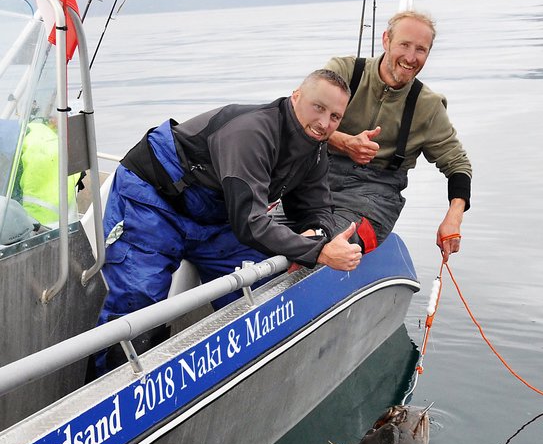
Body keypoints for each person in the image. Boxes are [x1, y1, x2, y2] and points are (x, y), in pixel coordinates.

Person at [92, 69, 360, 375]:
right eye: (319, 108)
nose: (325, 123)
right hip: (154, 201)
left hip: (213, 216)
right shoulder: (252, 132)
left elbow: (316, 207)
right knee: (135, 303)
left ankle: (249, 369)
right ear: (296, 96)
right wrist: (318, 252)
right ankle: (112, 391)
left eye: (336, 117)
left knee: (264, 281)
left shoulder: (314, 150)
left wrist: (317, 235)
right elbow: (250, 223)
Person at [323, 10, 472, 263]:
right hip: (318, 178)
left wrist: (453, 217)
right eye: (404, 45)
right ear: (386, 40)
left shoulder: (429, 106)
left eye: (421, 49)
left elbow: (458, 165)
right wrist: (344, 142)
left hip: (375, 195)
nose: (411, 57)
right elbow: (298, 118)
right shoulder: (343, 73)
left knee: (327, 241)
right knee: (268, 233)